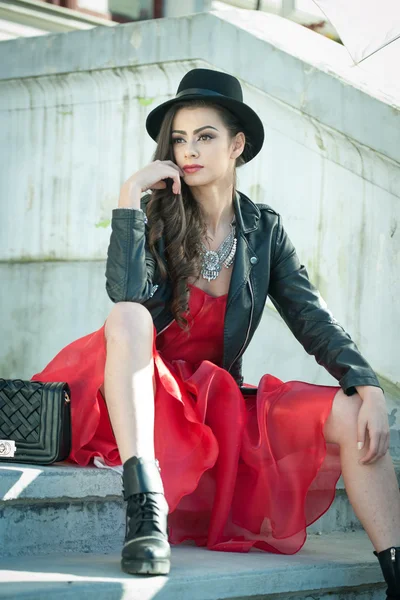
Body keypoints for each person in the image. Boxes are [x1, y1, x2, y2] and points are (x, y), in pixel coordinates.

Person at [31, 68, 400, 595]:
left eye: (205, 137)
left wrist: (365, 383)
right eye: (180, 139)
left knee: (355, 413)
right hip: (141, 391)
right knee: (129, 317)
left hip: (210, 400)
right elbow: (126, 296)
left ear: (237, 145)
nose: (189, 151)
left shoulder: (264, 231)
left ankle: (395, 570)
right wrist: (128, 197)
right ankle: (145, 515)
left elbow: (311, 318)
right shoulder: (154, 217)